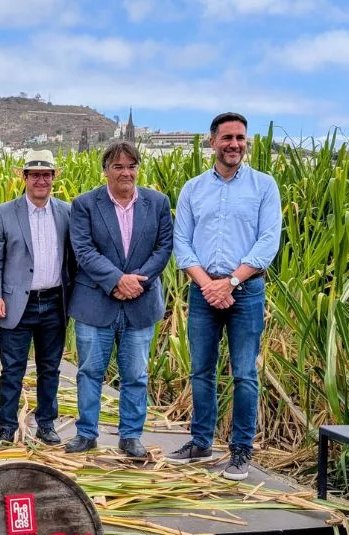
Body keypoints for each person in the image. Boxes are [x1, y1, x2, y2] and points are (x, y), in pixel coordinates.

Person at [171, 112, 281, 480]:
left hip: (245, 291)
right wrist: (208, 285)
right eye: (227, 138)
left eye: (240, 138)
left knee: (245, 374)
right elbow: (181, 243)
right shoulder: (193, 188)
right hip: (204, 292)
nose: (235, 144)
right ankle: (201, 441)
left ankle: (240, 451)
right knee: (201, 370)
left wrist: (230, 282)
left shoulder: (265, 186)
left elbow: (268, 242)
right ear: (213, 141)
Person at [65, 142, 173, 458]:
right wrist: (116, 280)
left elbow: (164, 247)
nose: (126, 172)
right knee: (89, 371)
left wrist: (137, 281)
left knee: (136, 375)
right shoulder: (85, 204)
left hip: (140, 301)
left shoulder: (158, 203)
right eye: (118, 167)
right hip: (96, 302)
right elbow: (83, 249)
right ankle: (86, 433)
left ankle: (130, 437)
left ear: (138, 168)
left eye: (131, 166)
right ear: (106, 170)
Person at [0, 150, 73, 447]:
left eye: (46, 175)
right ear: (24, 178)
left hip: (53, 303)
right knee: (12, 370)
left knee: (50, 369)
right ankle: (6, 428)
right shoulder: (4, 213)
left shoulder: (66, 212)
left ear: (54, 178)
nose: (41, 180)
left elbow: (73, 258)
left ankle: (46, 424)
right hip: (15, 305)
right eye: (34, 175)